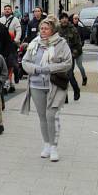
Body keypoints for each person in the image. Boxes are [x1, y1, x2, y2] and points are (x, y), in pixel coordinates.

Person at [21, 16, 73, 162]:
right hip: (36, 85)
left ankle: (54, 147)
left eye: (46, 28)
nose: (43, 30)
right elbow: (25, 61)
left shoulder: (61, 43)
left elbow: (68, 63)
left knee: (52, 115)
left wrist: (49, 69)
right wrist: (36, 69)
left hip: (55, 85)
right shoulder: (34, 43)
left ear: (53, 30)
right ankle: (46, 145)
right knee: (42, 117)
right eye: (41, 28)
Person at [58, 13, 83, 101]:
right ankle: (65, 96)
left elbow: (78, 44)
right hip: (59, 57)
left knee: (69, 75)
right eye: (62, 18)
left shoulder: (73, 29)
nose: (64, 20)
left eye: (66, 18)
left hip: (70, 56)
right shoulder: (57, 30)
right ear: (60, 20)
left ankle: (76, 89)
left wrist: (73, 54)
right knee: (61, 76)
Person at [71, 13, 88, 87]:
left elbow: (85, 36)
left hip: (78, 50)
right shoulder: (70, 27)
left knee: (80, 65)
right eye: (75, 18)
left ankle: (84, 77)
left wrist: (80, 44)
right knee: (71, 67)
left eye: (77, 18)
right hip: (71, 50)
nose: (76, 20)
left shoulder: (80, 27)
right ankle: (71, 80)